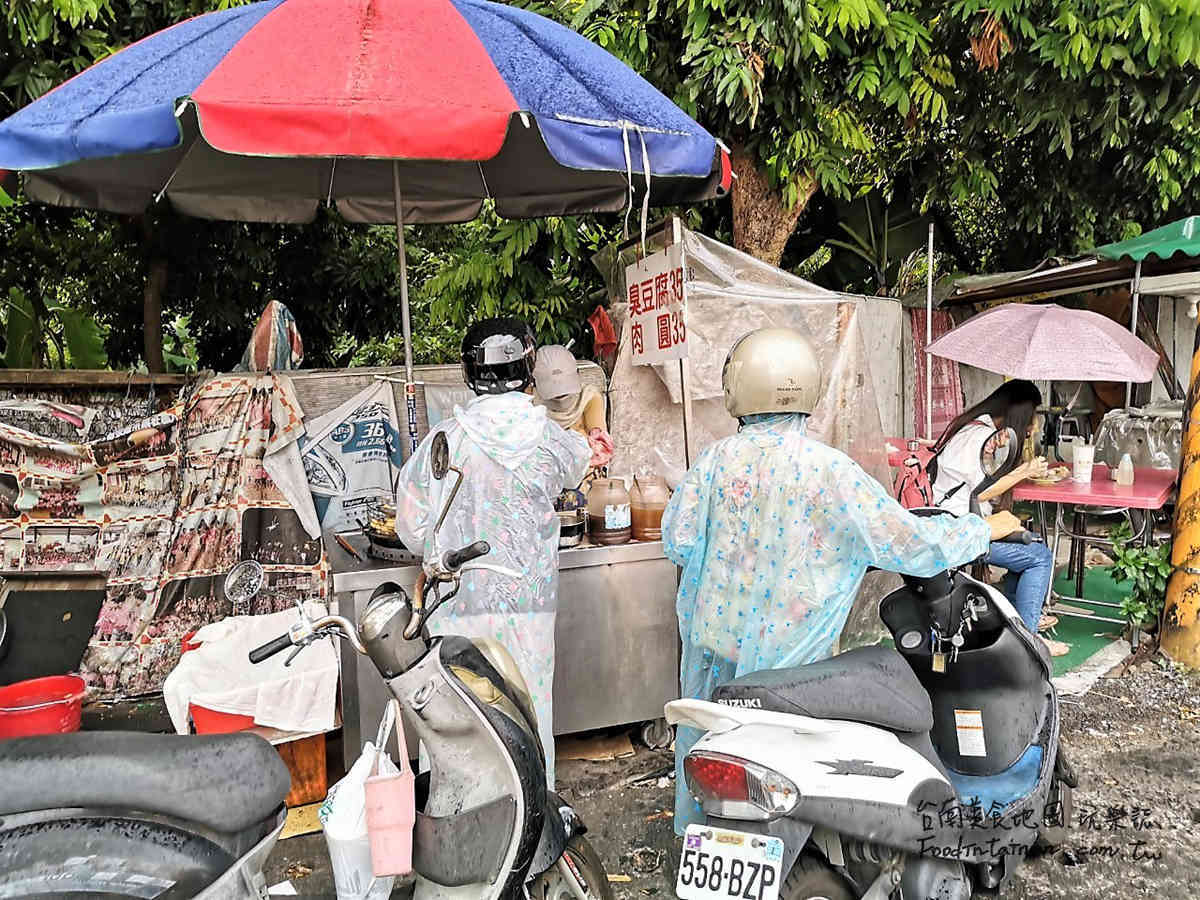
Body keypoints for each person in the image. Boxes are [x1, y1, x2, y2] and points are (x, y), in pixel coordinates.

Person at [662, 327, 1004, 834]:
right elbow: (909, 542)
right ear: (806, 386)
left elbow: (679, 540)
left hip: (713, 646)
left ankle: (698, 833)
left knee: (705, 739)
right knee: (786, 756)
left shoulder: (715, 461)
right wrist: (980, 529)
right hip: (787, 657)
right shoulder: (827, 470)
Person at [393, 318, 591, 786]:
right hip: (530, 609)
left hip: (457, 603)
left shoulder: (445, 440)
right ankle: (533, 815)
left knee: (458, 719)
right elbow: (578, 465)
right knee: (527, 712)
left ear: (470, 373)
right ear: (528, 369)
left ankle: (463, 818)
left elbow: (412, 528)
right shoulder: (551, 438)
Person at [930, 380, 1065, 652]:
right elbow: (980, 493)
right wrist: (1023, 471)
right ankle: (1028, 643)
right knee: (1039, 558)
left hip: (957, 523)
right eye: (1032, 417)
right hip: (957, 532)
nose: (1033, 426)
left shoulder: (975, 429)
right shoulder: (976, 438)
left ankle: (1016, 627)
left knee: (1032, 544)